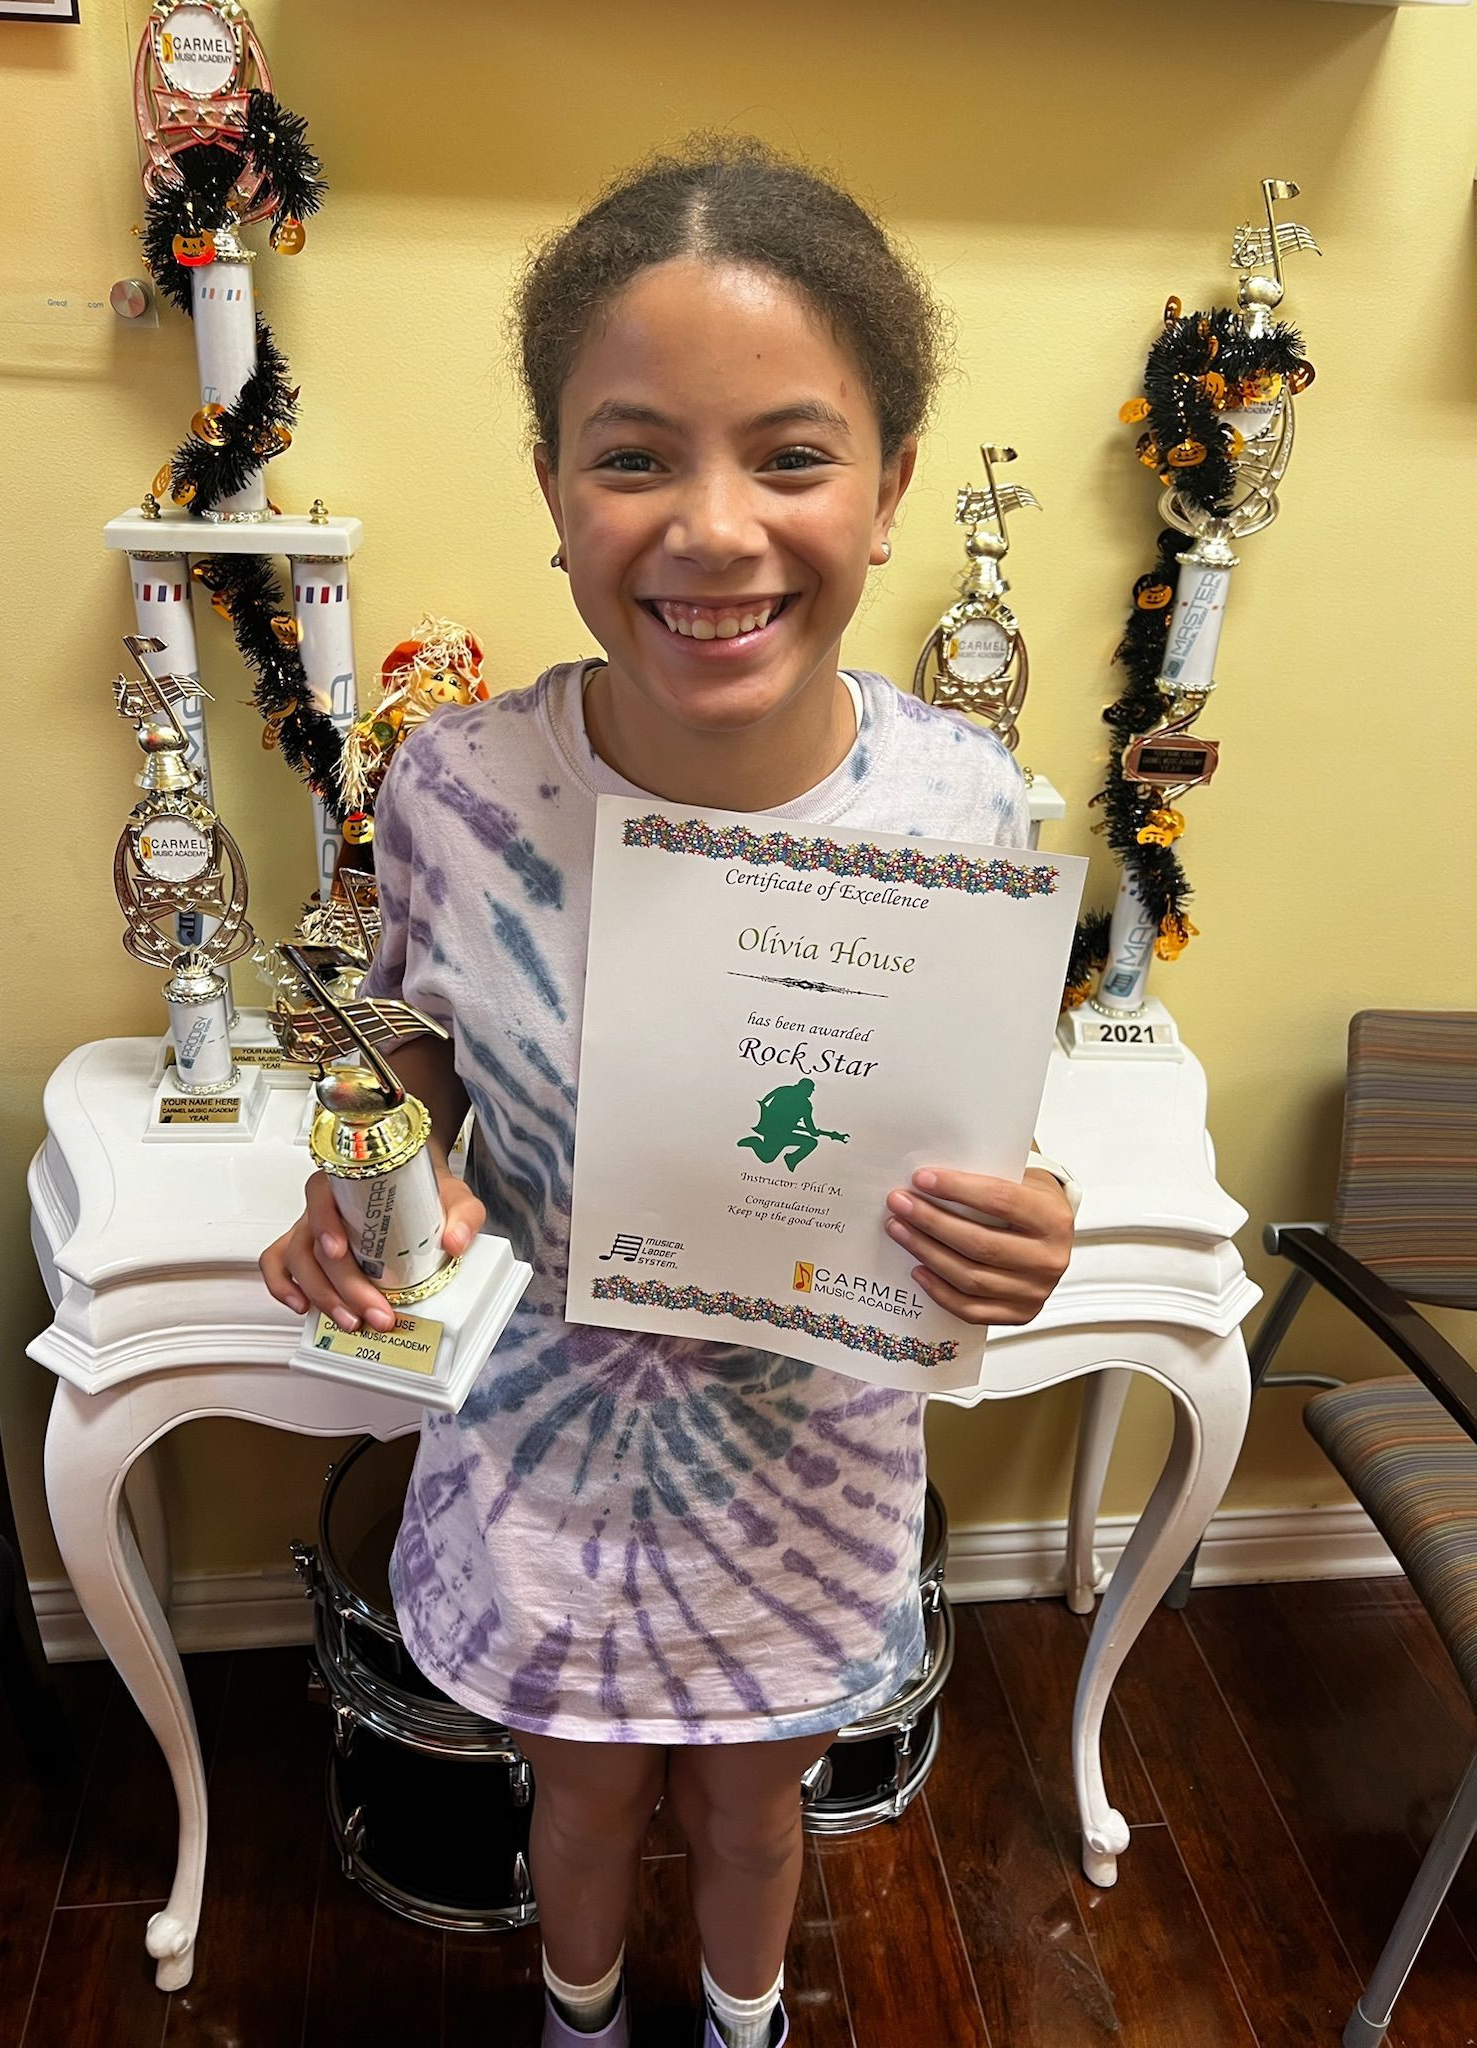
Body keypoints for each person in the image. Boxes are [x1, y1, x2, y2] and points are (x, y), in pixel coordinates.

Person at [261, 136, 1077, 2048]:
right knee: (581, 1790)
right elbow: (408, 1052)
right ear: (554, 493)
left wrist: (1027, 1230)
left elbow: (969, 1125)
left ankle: (743, 2023)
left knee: (751, 1799)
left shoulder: (960, 801)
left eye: (793, 455)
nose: (713, 529)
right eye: (634, 456)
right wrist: (361, 1188)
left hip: (808, 1457)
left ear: (887, 495)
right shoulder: (455, 788)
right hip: (546, 1439)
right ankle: (577, 2015)